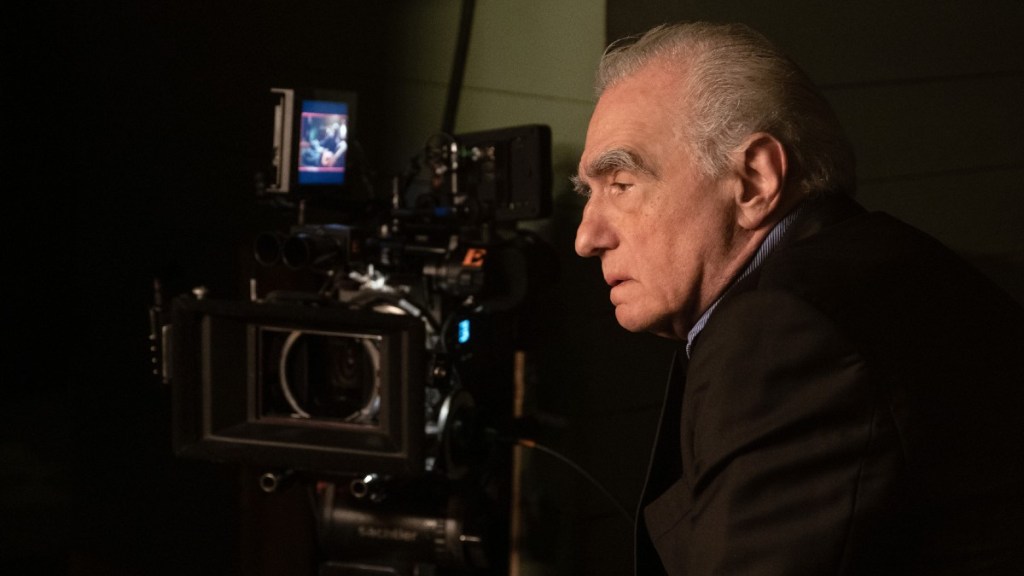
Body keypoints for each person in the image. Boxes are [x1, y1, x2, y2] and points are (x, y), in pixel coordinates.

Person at [572, 21, 1024, 575]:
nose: (586, 237)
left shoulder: (784, 332)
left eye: (621, 184)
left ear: (755, 180)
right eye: (588, 192)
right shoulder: (870, 265)